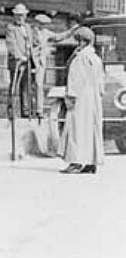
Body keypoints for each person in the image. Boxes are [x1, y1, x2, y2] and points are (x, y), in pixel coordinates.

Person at [59, 27, 105, 174]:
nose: (77, 43)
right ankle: (92, 161)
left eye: (79, 40)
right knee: (91, 127)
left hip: (81, 97)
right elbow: (101, 81)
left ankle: (76, 162)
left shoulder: (79, 58)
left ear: (83, 42)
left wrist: (71, 96)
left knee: (76, 127)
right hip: (93, 97)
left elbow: (75, 79)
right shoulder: (96, 59)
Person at [32, 14, 77, 117]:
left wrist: (72, 30)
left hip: (40, 62)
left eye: (44, 24)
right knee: (29, 86)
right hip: (30, 60)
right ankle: (28, 109)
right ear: (37, 23)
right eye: (41, 24)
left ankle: (39, 110)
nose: (43, 26)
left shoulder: (46, 33)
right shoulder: (30, 32)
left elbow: (58, 37)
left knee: (39, 85)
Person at [5, 3, 37, 118]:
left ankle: (26, 112)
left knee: (26, 87)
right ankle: (11, 112)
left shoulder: (28, 27)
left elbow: (32, 43)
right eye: (17, 15)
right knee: (14, 86)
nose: (20, 18)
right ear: (14, 16)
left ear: (25, 16)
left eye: (22, 15)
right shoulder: (10, 28)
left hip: (28, 61)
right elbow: (11, 44)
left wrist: (32, 57)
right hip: (16, 62)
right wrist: (19, 56)